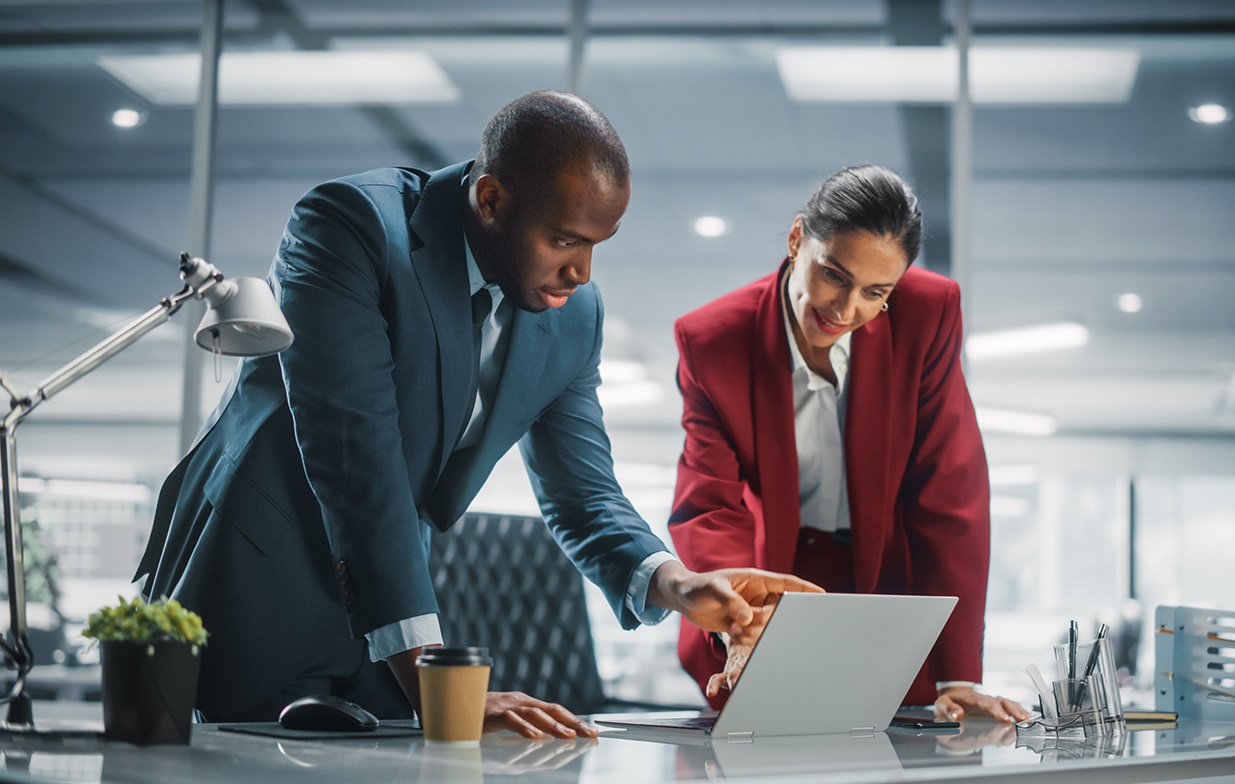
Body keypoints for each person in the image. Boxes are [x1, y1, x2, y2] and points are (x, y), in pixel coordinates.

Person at [135, 90, 817, 737]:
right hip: (255, 583)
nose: (582, 272)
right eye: (564, 239)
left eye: (595, 246)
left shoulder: (575, 317)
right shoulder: (351, 227)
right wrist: (434, 680)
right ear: (489, 198)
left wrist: (678, 583)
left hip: (386, 608)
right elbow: (357, 462)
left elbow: (585, 496)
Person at [667, 164, 1030, 723]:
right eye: (834, 275)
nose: (845, 309)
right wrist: (738, 620)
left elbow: (948, 495)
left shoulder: (928, 315)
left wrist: (958, 674)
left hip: (889, 589)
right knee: (766, 742)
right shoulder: (714, 341)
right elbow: (711, 507)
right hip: (771, 584)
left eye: (875, 292)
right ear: (796, 241)